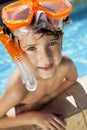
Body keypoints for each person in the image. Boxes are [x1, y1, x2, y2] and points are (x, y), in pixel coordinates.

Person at [0, 0, 77, 130]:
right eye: (31, 48)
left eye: (52, 44)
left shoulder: (65, 66)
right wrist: (34, 117)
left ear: (61, 40)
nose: (45, 58)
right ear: (17, 52)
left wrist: (45, 100)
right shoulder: (19, 87)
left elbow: (72, 79)